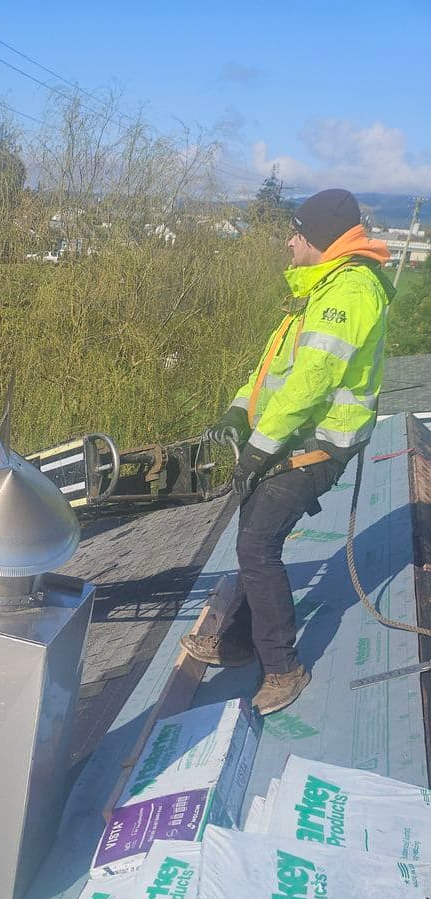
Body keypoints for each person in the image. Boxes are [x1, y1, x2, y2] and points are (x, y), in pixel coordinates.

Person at [182, 188, 394, 715]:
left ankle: (282, 668)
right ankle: (235, 643)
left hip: (321, 443)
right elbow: (275, 367)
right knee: (253, 532)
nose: (288, 240)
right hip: (292, 437)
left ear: (321, 239)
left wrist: (258, 449)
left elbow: (310, 385)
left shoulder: (350, 292)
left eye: (296, 232)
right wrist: (238, 410)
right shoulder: (322, 288)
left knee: (257, 545)